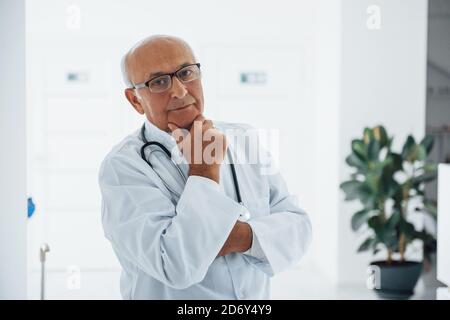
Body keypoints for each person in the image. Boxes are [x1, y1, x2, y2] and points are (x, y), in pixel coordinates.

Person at [98, 35, 312, 299]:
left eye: (186, 73)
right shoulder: (122, 168)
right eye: (159, 82)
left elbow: (299, 228)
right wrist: (204, 170)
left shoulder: (244, 139)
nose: (179, 90)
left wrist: (240, 237)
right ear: (135, 100)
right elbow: (175, 265)